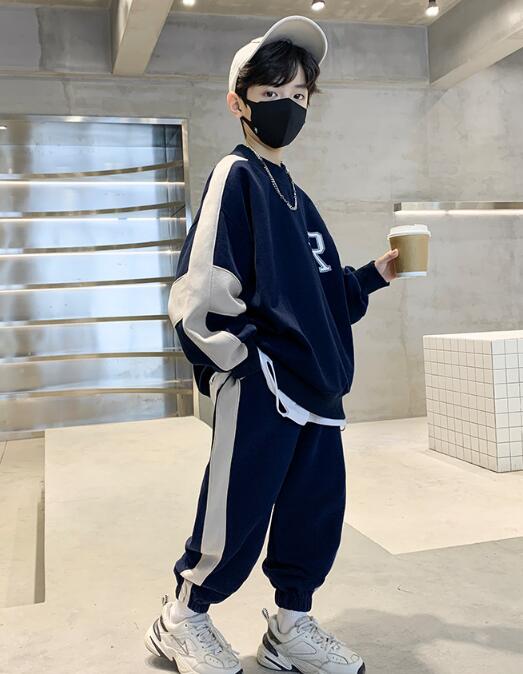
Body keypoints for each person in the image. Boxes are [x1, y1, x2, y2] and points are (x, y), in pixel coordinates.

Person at [145, 14, 399, 674]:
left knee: (313, 515)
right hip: (267, 383)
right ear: (238, 102)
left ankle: (290, 628)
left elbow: (319, 298)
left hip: (318, 387)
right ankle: (182, 618)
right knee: (238, 508)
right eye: (271, 93)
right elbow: (198, 292)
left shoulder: (298, 199)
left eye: (298, 95)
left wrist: (374, 275)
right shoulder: (238, 177)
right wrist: (244, 363)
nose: (287, 106)